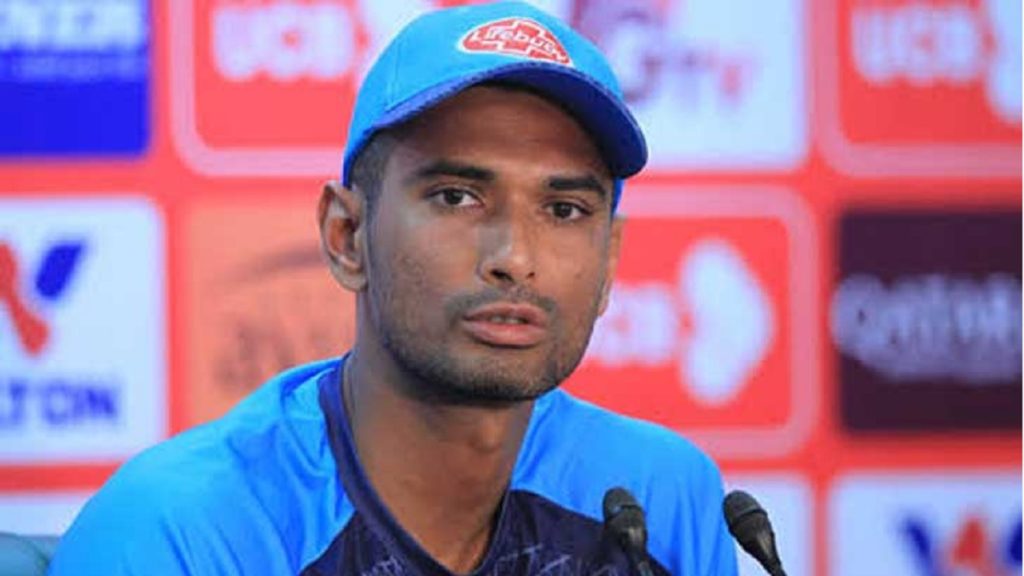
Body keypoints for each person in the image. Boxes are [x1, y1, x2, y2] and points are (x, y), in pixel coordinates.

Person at [48, 2, 738, 575]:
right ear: (347, 235)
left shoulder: (659, 499)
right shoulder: (179, 531)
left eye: (563, 210)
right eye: (457, 196)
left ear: (609, 259)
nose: (515, 258)